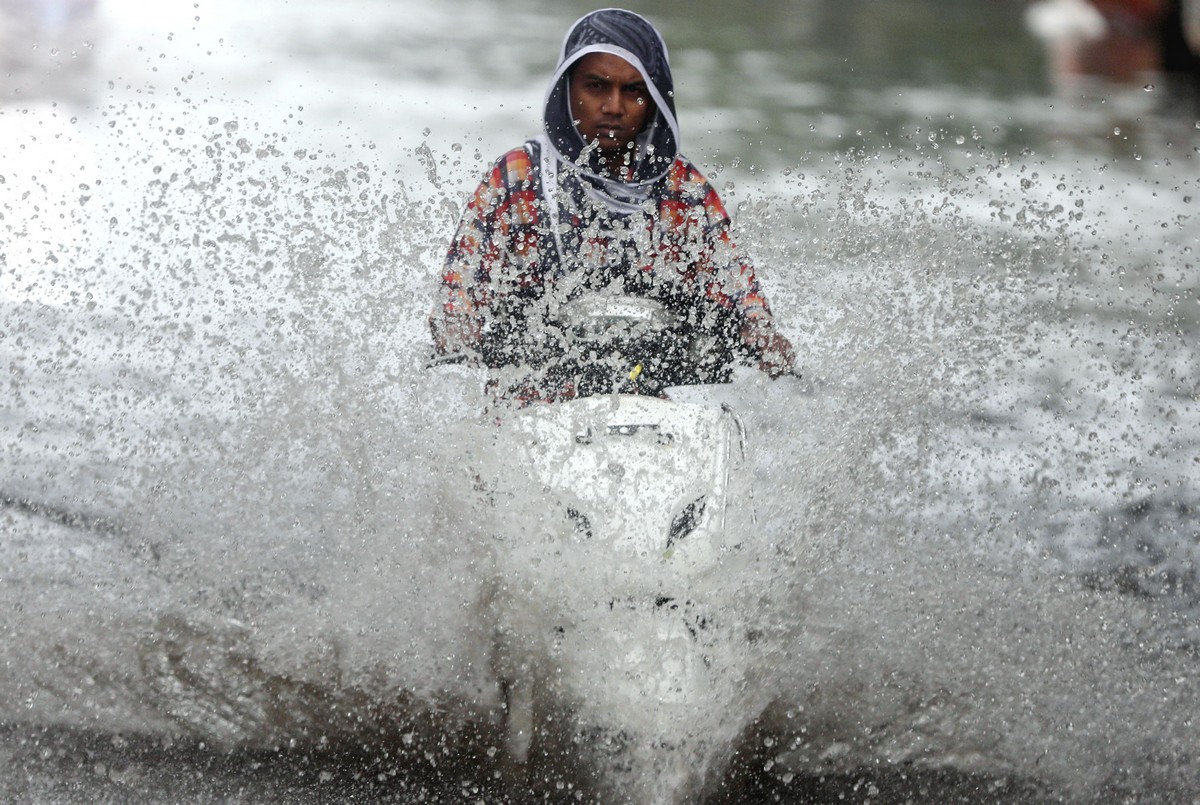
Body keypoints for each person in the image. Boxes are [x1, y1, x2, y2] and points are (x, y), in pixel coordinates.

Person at [429, 8, 795, 403]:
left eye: (634, 91)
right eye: (597, 86)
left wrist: (764, 339)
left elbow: (741, 296)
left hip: (656, 407)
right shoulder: (517, 179)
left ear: (654, 100)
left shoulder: (684, 191)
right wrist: (457, 334)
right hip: (530, 408)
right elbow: (459, 295)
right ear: (567, 89)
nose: (614, 107)